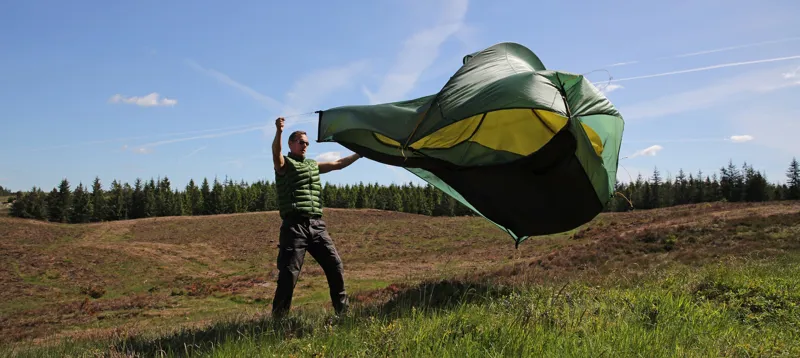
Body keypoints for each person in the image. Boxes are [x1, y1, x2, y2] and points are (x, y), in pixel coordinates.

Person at [270, 116, 361, 318]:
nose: (305, 146)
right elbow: (276, 154)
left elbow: (338, 163)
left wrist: (359, 154)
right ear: (291, 144)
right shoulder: (284, 165)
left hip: (316, 225)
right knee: (289, 273)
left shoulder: (312, 165)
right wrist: (279, 131)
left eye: (307, 143)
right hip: (294, 226)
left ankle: (343, 313)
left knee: (335, 265)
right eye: (301, 142)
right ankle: (278, 320)